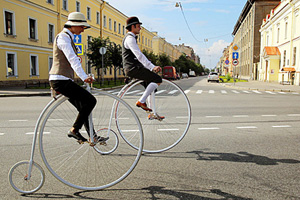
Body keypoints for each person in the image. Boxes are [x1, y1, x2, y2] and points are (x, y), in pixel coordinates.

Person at [49, 12, 104, 143]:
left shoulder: (68, 37)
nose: (82, 30)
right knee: (91, 101)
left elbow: (73, 60)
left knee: (83, 107)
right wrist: (84, 77)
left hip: (63, 80)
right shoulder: (63, 38)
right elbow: (73, 59)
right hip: (60, 80)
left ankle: (92, 135)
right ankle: (74, 130)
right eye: (82, 27)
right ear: (74, 25)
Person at [122, 16, 164, 119]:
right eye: (138, 26)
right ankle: (141, 101)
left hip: (133, 68)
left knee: (151, 87)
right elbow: (139, 55)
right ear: (133, 27)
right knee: (157, 79)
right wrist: (152, 67)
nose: (140, 28)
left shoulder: (131, 38)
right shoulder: (130, 39)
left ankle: (152, 113)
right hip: (133, 68)